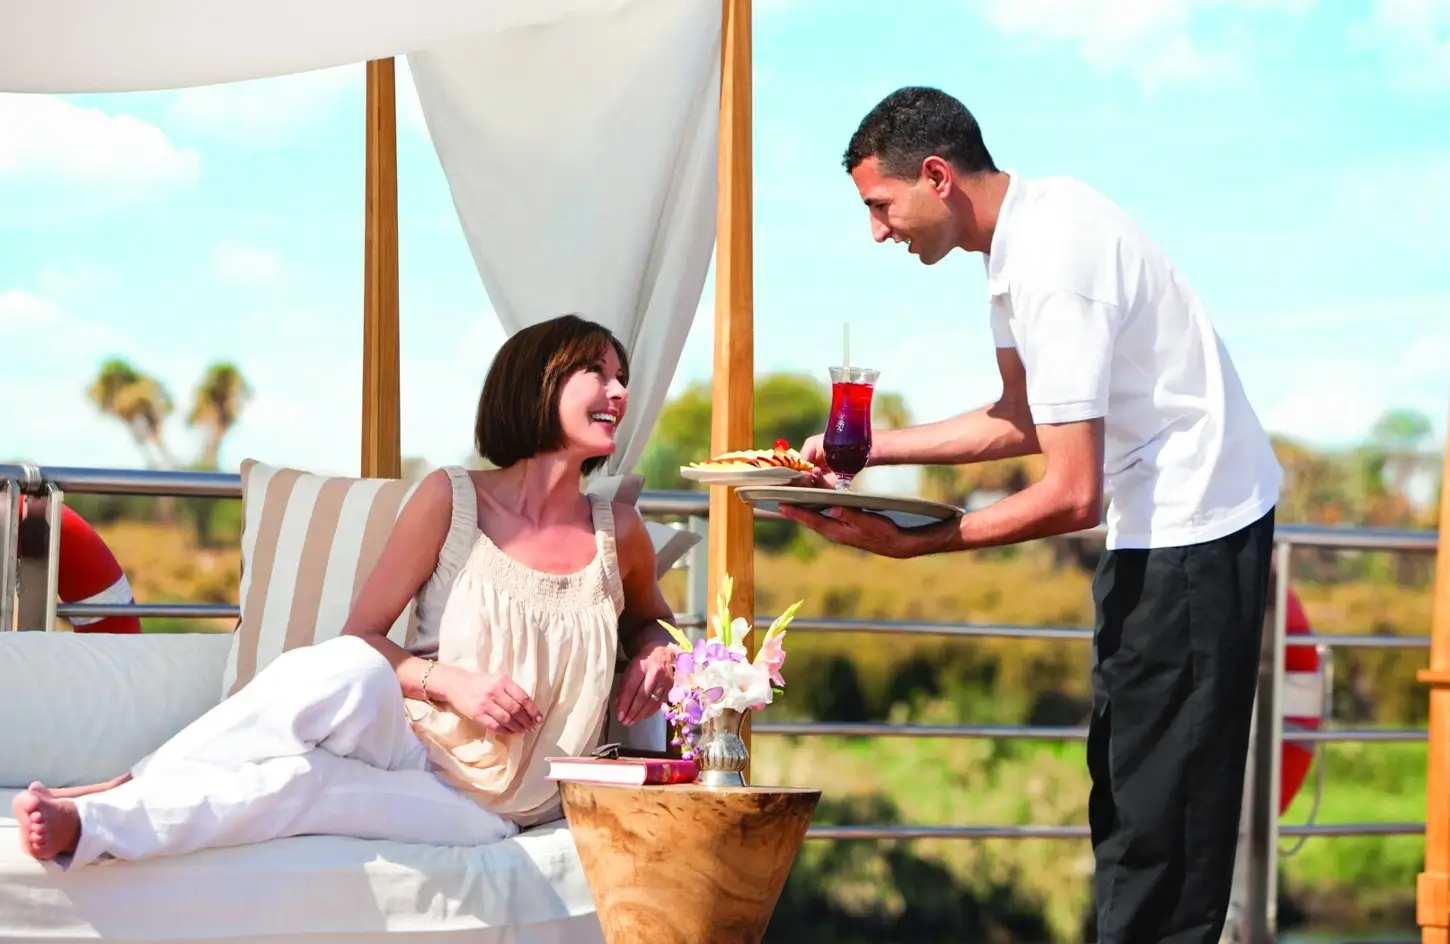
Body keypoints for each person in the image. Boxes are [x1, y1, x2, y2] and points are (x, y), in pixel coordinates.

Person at [782, 87, 1283, 944]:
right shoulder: (1017, 245)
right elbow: (1021, 416)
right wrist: (864, 451)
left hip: (1195, 532)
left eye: (879, 205)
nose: (877, 232)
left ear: (935, 176)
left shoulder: (1053, 260)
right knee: (1129, 803)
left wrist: (919, 546)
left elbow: (1071, 491)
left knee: (1162, 837)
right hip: (1156, 528)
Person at [13, 313, 678, 868]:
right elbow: (363, 635)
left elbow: (655, 624)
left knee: (297, 783)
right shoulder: (453, 498)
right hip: (412, 736)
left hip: (487, 805)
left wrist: (655, 648)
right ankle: (138, 780)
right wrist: (450, 682)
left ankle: (96, 823)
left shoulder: (618, 532)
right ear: (538, 382)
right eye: (598, 371)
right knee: (349, 666)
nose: (618, 391)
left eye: (623, 377)